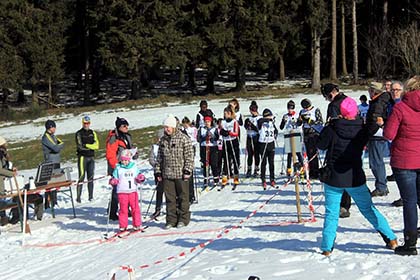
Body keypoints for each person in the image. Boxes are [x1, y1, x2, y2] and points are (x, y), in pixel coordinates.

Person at [316, 97, 397, 256]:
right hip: (354, 177)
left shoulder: (332, 128)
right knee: (368, 209)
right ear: (356, 112)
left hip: (334, 177)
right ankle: (391, 238)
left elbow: (320, 145)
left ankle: (327, 247)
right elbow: (373, 127)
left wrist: (328, 126)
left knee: (331, 213)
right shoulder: (362, 128)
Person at [383, 75, 420, 255]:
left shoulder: (400, 108)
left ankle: (410, 243)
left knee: (410, 202)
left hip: (404, 160)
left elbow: (389, 134)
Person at [155, 115, 194, 229]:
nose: (166, 129)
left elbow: (189, 156)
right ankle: (171, 220)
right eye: (165, 127)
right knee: (170, 198)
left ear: (174, 126)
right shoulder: (163, 140)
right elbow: (159, 158)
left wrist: (187, 169)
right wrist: (158, 171)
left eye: (168, 127)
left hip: (180, 173)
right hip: (167, 173)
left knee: (183, 197)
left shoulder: (183, 138)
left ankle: (183, 218)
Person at [321, 83, 352, 219]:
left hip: (337, 145)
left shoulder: (334, 106)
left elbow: (332, 126)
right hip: (352, 142)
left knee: (336, 177)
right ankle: (345, 204)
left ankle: (340, 205)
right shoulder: (350, 100)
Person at [365, 82, 394, 197]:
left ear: (373, 91)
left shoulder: (378, 102)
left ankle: (381, 186)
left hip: (376, 134)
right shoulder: (382, 100)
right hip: (379, 133)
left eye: (370, 90)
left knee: (376, 162)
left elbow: (374, 119)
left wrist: (367, 133)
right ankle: (381, 185)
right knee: (376, 161)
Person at [106, 117, 135, 221]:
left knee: (127, 188)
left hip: (127, 166)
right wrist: (116, 168)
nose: (126, 127)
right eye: (124, 126)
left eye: (127, 125)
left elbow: (129, 149)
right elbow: (110, 154)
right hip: (117, 168)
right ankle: (112, 211)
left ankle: (126, 209)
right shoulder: (114, 137)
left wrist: (134, 154)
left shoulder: (127, 136)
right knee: (117, 191)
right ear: (119, 127)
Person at [109, 149, 145, 232]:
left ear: (129, 160)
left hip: (132, 191)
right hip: (122, 192)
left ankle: (137, 224)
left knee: (135, 208)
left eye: (126, 160)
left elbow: (138, 175)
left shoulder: (133, 167)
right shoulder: (118, 168)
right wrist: (113, 181)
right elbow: (115, 177)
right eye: (122, 160)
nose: (124, 162)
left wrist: (140, 178)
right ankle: (123, 225)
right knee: (123, 209)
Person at [297, 98, 323, 179]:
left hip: (314, 132)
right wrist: (300, 120)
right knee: (307, 153)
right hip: (306, 133)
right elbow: (298, 123)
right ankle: (310, 171)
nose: (306, 109)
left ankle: (315, 172)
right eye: (305, 108)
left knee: (313, 152)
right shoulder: (302, 111)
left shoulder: (316, 110)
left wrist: (310, 121)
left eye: (307, 107)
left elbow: (320, 121)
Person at [75, 116, 99, 203]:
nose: (86, 125)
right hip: (82, 157)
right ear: (82, 123)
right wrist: (89, 146)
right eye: (85, 123)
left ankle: (91, 196)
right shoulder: (78, 133)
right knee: (81, 177)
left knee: (91, 177)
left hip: (91, 157)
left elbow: (97, 146)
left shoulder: (93, 133)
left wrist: (87, 145)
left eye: (88, 123)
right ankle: (78, 197)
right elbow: (80, 146)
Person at [41, 120, 64, 209]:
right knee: (50, 184)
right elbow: (56, 148)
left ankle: (54, 201)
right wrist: (58, 147)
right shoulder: (46, 137)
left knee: (56, 182)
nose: (55, 129)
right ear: (50, 128)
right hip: (50, 162)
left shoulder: (53, 136)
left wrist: (59, 146)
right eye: (53, 127)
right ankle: (48, 203)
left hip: (57, 161)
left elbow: (61, 143)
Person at [386, 81, 404, 185]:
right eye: (392, 90)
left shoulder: (403, 104)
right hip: (392, 138)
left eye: (397, 90)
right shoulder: (391, 103)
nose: (394, 92)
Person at [280, 100, 303, 177]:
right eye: (289, 108)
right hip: (288, 135)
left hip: (296, 134)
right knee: (289, 154)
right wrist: (283, 121)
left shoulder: (297, 115)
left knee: (298, 153)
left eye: (291, 108)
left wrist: (297, 121)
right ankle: (289, 170)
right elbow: (281, 127)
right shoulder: (285, 116)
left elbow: (300, 124)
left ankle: (301, 169)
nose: (290, 110)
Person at [220, 105, 241, 189]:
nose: (225, 115)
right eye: (224, 113)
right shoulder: (223, 122)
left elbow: (236, 133)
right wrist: (222, 132)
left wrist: (229, 133)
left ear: (230, 113)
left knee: (235, 159)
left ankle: (236, 177)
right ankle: (225, 177)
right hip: (226, 142)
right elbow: (220, 130)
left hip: (233, 141)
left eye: (226, 113)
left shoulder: (234, 121)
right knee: (226, 160)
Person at [258, 108, 278, 189]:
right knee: (263, 162)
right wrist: (267, 119)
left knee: (271, 162)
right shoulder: (261, 122)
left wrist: (275, 135)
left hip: (271, 143)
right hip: (263, 144)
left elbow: (276, 130)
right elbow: (260, 121)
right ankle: (263, 179)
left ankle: (272, 178)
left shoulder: (271, 123)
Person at [197, 115, 220, 186]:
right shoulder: (201, 129)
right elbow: (198, 139)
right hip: (204, 147)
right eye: (206, 122)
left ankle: (216, 178)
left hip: (212, 147)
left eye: (208, 122)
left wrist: (212, 136)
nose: (207, 123)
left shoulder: (214, 129)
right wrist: (204, 137)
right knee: (205, 164)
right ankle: (206, 179)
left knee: (213, 163)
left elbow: (217, 138)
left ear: (211, 122)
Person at [0, 136, 17, 226]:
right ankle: (3, 218)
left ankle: (5, 218)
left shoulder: (3, 154)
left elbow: (4, 167)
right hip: (0, 182)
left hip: (4, 180)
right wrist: (11, 173)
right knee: (1, 199)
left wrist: (11, 170)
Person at [148, 129, 164, 218]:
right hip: (157, 172)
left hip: (167, 171)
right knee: (159, 190)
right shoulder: (154, 147)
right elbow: (151, 159)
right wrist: (156, 165)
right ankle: (158, 209)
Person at [181, 117, 198, 203]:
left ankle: (191, 195)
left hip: (192, 146)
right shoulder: (182, 130)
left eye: (186, 123)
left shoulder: (193, 129)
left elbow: (194, 138)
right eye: (183, 123)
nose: (185, 125)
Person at [244, 101, 262, 178]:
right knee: (250, 154)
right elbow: (246, 127)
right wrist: (247, 125)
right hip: (249, 137)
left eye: (254, 110)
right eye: (251, 110)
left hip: (256, 137)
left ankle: (256, 168)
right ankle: (249, 169)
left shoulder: (259, 118)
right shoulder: (249, 118)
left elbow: (259, 129)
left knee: (256, 153)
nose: (252, 112)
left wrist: (252, 126)